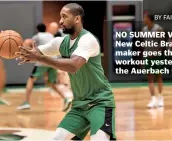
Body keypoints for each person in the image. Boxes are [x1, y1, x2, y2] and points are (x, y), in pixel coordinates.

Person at [15, 3, 116, 140]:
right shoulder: (60, 42)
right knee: (56, 139)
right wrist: (19, 49)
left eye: (64, 17)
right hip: (79, 106)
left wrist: (40, 58)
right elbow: (36, 52)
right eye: (60, 17)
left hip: (100, 103)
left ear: (77, 19)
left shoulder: (88, 40)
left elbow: (73, 65)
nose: (60, 21)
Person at [17, 23, 72, 111]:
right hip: (53, 61)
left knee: (31, 80)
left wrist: (23, 46)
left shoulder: (37, 36)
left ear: (37, 29)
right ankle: (66, 98)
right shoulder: (50, 35)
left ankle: (26, 102)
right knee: (52, 83)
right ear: (46, 28)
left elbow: (29, 44)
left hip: (43, 61)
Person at [142, 14, 164, 108]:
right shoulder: (144, 30)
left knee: (158, 77)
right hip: (148, 57)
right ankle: (153, 99)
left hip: (157, 57)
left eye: (145, 18)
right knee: (150, 78)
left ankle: (160, 98)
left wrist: (156, 53)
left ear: (150, 19)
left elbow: (162, 44)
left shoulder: (158, 29)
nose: (143, 19)